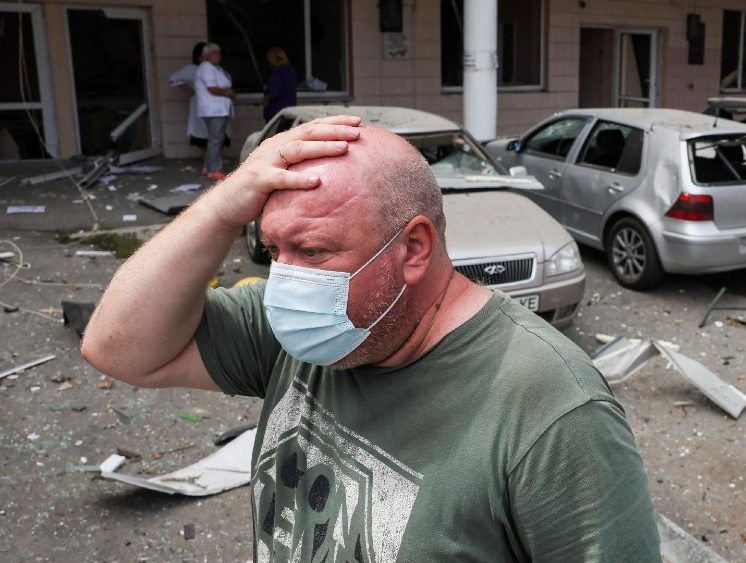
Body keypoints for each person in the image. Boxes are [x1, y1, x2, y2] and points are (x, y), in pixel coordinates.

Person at [81, 117, 661, 562]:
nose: (287, 280)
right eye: (274, 249)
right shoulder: (297, 333)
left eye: (313, 252)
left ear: (413, 250)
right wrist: (223, 207)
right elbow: (116, 347)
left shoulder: (552, 409)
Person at [195, 43, 235, 181]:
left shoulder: (215, 68)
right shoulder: (207, 68)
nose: (217, 55)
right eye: (213, 53)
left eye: (218, 53)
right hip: (214, 110)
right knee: (216, 141)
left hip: (217, 109)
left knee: (214, 140)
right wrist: (227, 92)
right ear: (206, 55)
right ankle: (214, 170)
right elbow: (212, 88)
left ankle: (208, 168)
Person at [168, 42, 210, 169]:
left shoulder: (214, 70)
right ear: (199, 57)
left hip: (215, 106)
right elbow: (173, 78)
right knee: (203, 132)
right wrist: (191, 91)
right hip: (200, 105)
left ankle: (212, 161)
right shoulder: (192, 70)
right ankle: (206, 161)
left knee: (215, 133)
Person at [262, 47, 297, 122]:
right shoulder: (291, 70)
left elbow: (275, 91)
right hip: (291, 109)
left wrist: (266, 99)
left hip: (276, 111)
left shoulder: (277, 72)